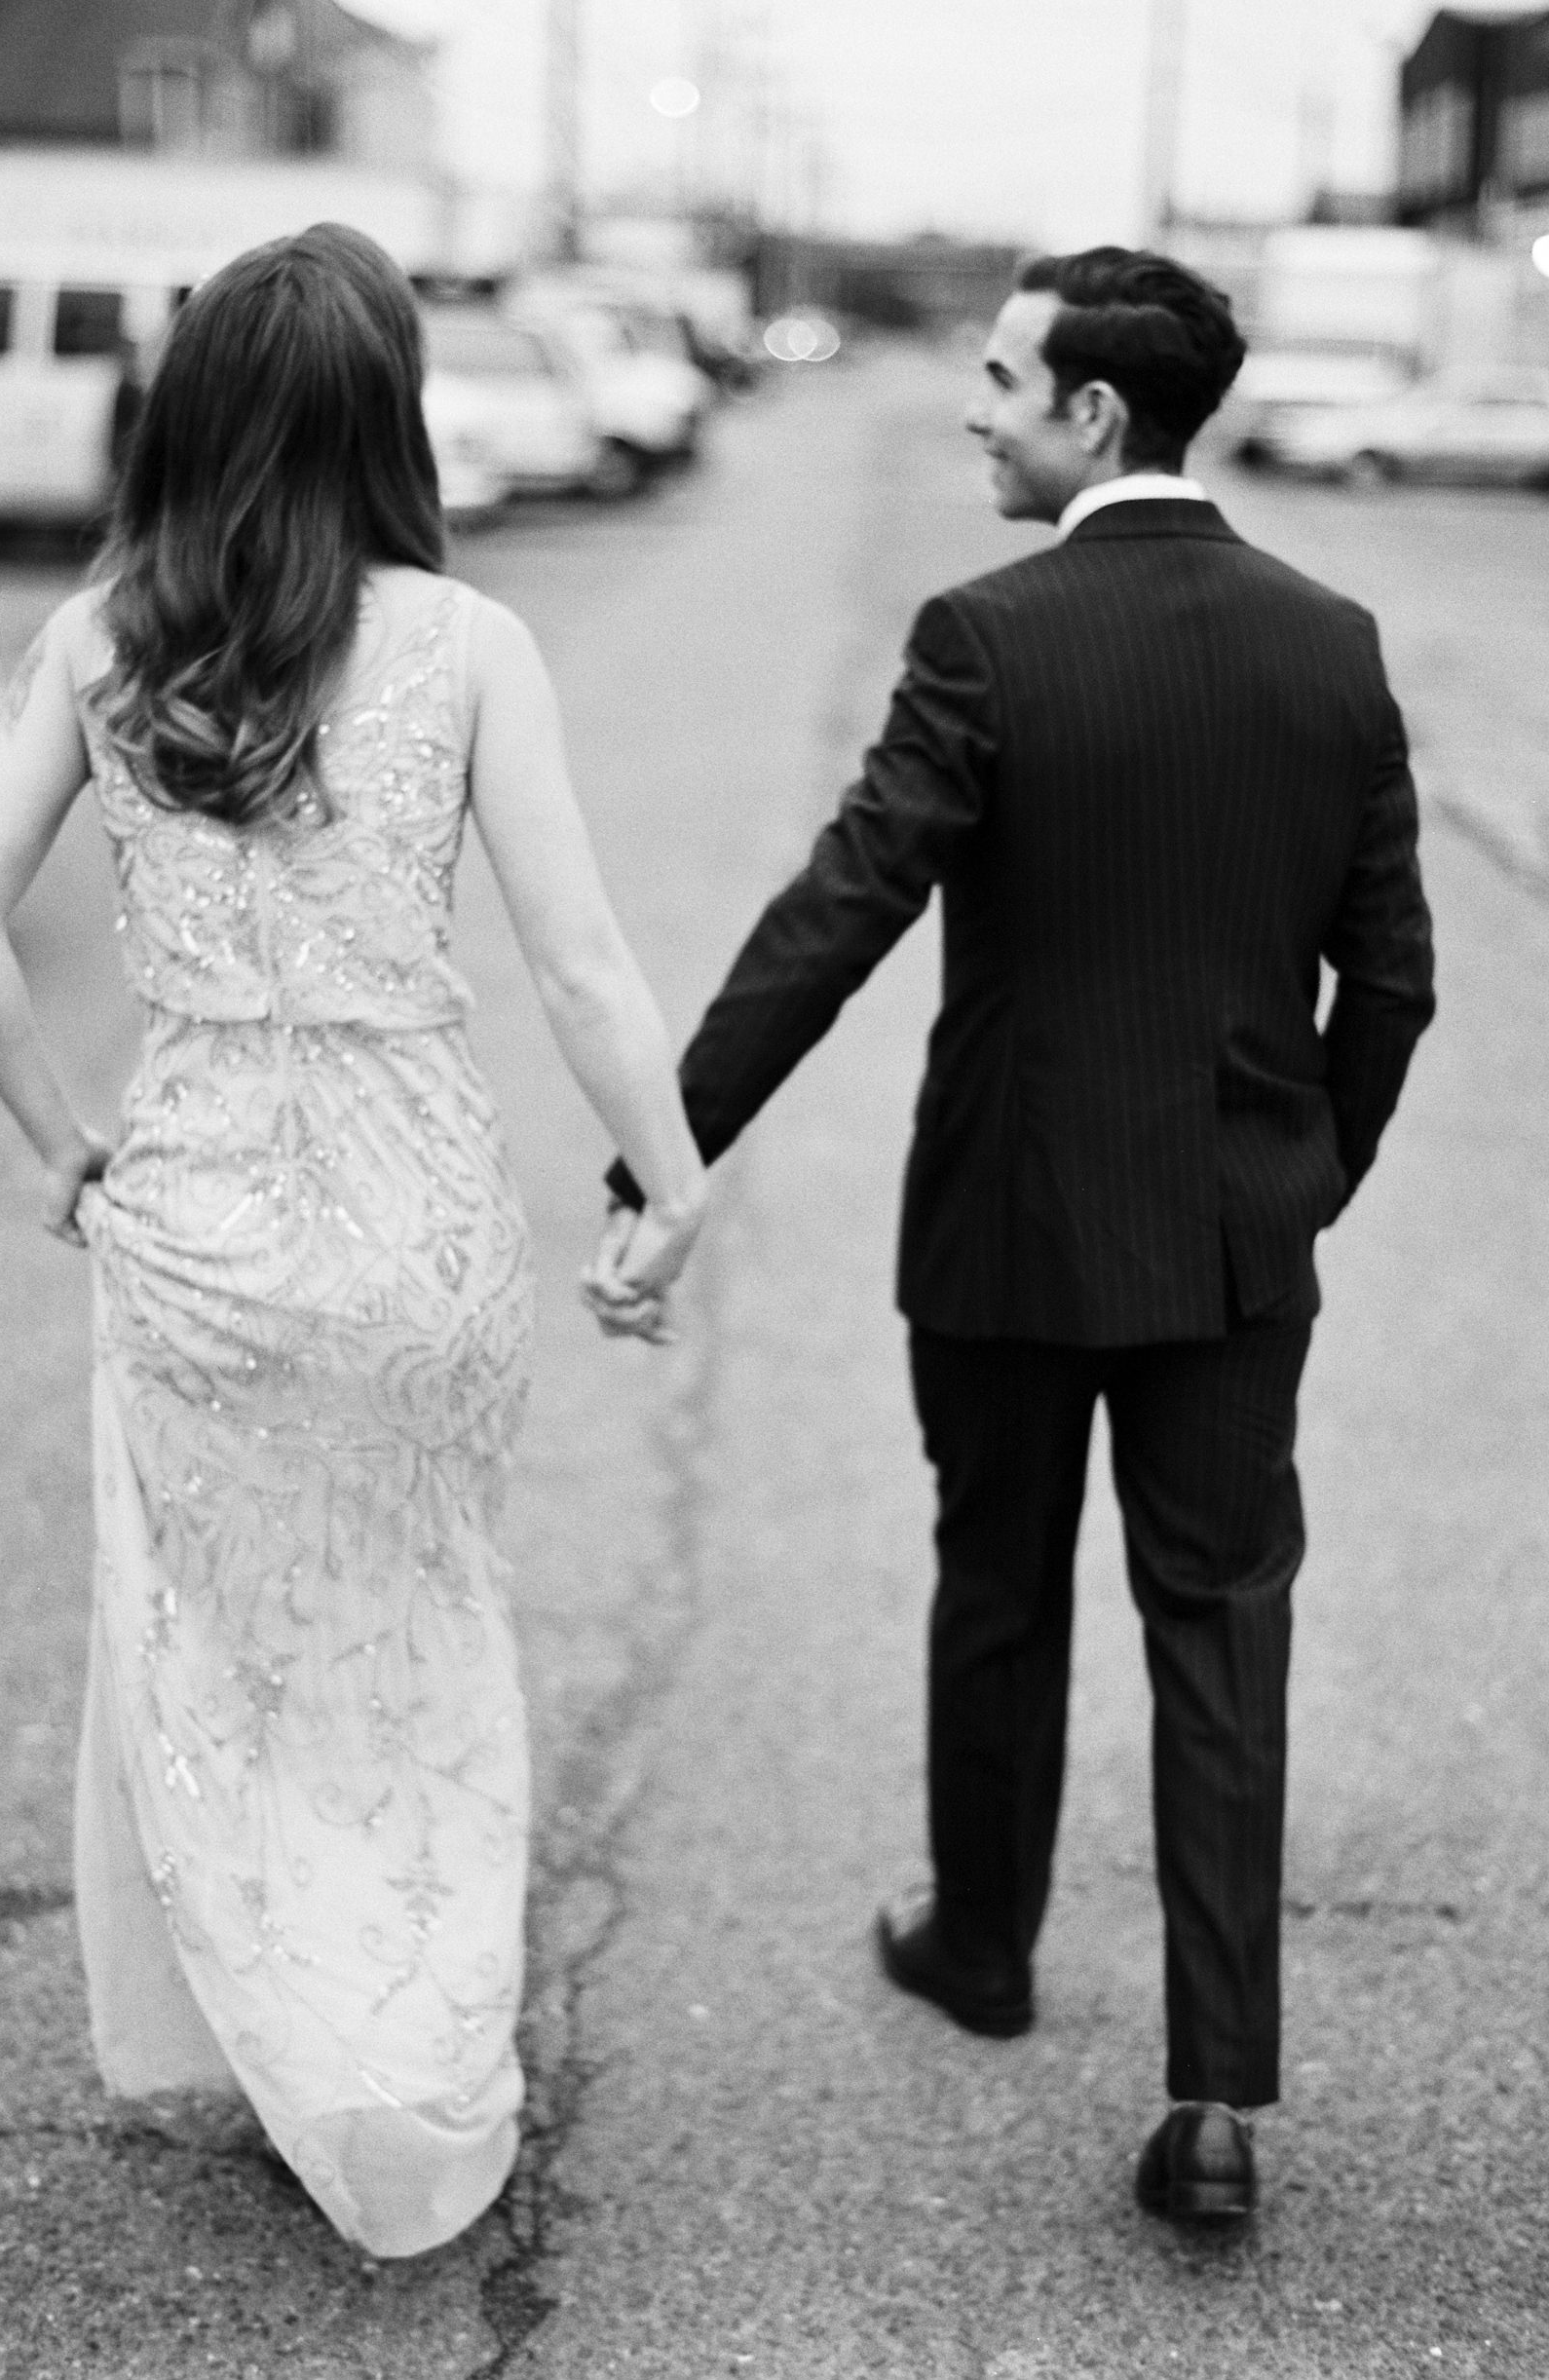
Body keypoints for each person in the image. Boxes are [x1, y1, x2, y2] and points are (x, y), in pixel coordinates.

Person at [592, 247, 1436, 2220]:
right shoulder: (1336, 643)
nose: (970, 405)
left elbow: (839, 912)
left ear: (1093, 420)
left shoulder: (991, 635)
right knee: (1223, 1628)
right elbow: (1387, 983)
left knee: (1000, 1584)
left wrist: (664, 1154)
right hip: (1238, 1237)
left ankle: (983, 1947)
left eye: (997, 377)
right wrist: (1306, 1176)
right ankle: (1215, 2102)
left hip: (1010, 1226)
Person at [0, 223, 705, 2258]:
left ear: (185, 419)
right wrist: (670, 1177)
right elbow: (583, 961)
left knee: (222, 1658)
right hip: (415, 1222)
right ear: (387, 418)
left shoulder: (103, 636)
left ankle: (278, 2036)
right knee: (415, 1635)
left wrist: (63, 1146)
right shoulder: (462, 641)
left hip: (193, 1224)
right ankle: (408, 2065)